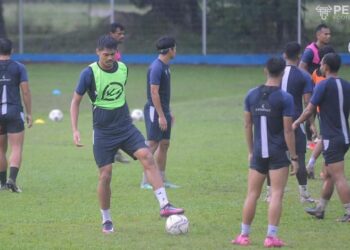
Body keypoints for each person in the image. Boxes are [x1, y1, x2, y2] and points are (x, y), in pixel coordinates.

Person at [70, 35, 184, 234]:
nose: (109, 58)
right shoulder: (88, 73)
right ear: (98, 52)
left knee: (147, 156)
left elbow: (119, 95)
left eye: (112, 54)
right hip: (103, 132)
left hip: (125, 127)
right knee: (105, 175)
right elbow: (75, 102)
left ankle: (165, 205)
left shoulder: (123, 69)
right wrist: (75, 129)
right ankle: (106, 219)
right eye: (105, 54)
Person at [232, 57, 299, 247]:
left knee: (252, 194)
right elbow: (288, 130)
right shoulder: (285, 98)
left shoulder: (251, 95)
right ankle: (271, 237)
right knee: (276, 193)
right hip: (278, 154)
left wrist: (251, 151)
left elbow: (247, 124)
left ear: (265, 71)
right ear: (283, 73)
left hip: (259, 152)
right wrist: (294, 157)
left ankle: (243, 236)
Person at [293, 53, 350, 222]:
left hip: (332, 138)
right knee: (329, 175)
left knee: (338, 176)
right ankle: (320, 209)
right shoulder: (347, 85)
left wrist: (296, 123)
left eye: (322, 64)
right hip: (344, 136)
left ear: (325, 66)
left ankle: (348, 211)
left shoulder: (323, 85)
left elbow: (309, 109)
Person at [265, 42, 314, 203]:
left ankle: (269, 193)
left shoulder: (276, 73)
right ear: (299, 56)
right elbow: (308, 103)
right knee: (299, 156)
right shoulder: (304, 76)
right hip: (295, 122)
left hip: (275, 120)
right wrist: (311, 123)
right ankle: (304, 194)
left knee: (272, 156)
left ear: (284, 55)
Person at [140, 36, 179, 190]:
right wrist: (162, 116)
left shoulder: (165, 66)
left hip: (163, 110)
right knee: (152, 144)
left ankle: (161, 179)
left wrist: (168, 112)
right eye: (175, 48)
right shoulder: (156, 67)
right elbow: (154, 93)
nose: (176, 51)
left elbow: (162, 94)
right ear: (170, 50)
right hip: (154, 111)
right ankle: (145, 181)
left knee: (164, 144)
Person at [0, 38, 32, 193]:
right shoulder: (19, 67)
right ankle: (11, 180)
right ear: (11, 50)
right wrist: (29, 113)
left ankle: (1, 183)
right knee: (16, 147)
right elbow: (25, 91)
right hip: (14, 112)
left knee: (0, 149)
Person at [299, 24, 331, 150]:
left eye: (329, 34)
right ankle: (309, 139)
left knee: (321, 111)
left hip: (322, 86)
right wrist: (313, 80)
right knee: (310, 111)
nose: (328, 36)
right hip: (312, 87)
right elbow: (301, 67)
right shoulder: (310, 50)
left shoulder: (327, 50)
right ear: (318, 35)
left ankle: (321, 137)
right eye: (325, 34)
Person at [306, 45, 335, 179]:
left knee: (324, 138)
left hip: (319, 110)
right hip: (327, 111)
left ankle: (312, 164)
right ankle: (324, 170)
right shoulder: (327, 78)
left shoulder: (315, 73)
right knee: (328, 140)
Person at [109, 22, 129, 164]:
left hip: (116, 91)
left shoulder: (114, 48)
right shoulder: (108, 49)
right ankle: (113, 150)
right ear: (111, 34)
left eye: (123, 33)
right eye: (119, 33)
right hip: (111, 93)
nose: (122, 36)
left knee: (119, 120)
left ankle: (115, 151)